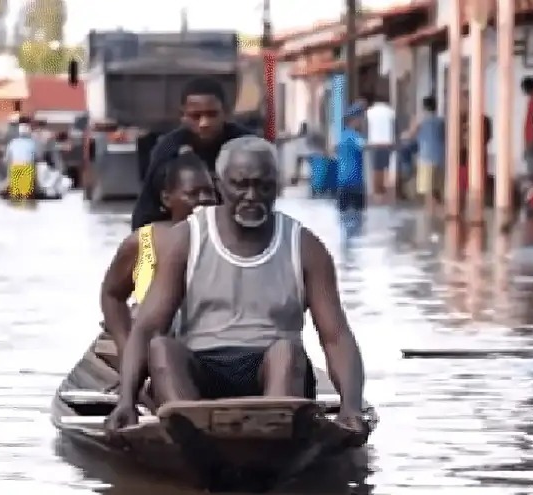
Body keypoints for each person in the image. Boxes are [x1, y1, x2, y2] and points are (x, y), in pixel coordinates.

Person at [104, 136, 367, 439]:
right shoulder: (186, 239)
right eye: (240, 185)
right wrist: (126, 399)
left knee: (287, 352)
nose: (252, 196)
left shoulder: (305, 247)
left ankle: (272, 437)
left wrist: (351, 406)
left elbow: (335, 336)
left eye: (264, 186)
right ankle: (191, 436)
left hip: (273, 373)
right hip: (203, 368)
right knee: (161, 348)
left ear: (277, 185)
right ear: (220, 184)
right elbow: (148, 328)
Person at [100, 150, 216, 362]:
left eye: (209, 192)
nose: (204, 200)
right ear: (166, 198)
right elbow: (112, 295)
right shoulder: (142, 242)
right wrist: (126, 346)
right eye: (193, 193)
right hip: (156, 351)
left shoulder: (226, 241)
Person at [130, 77, 254, 230]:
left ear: (226, 113)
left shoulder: (248, 146)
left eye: (212, 114)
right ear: (183, 116)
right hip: (182, 232)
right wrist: (150, 249)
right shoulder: (167, 150)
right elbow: (146, 211)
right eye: (196, 116)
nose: (204, 123)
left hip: (238, 229)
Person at [402, 95, 445, 210]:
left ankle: (431, 213)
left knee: (427, 190)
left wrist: (402, 135)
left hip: (426, 157)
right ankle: (439, 210)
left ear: (424, 107)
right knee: (437, 189)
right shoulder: (441, 121)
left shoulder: (420, 121)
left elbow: (409, 135)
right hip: (440, 158)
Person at [336, 104, 366, 212]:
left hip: (342, 182)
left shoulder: (342, 135)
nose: (362, 122)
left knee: (343, 217)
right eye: (361, 119)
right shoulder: (354, 136)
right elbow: (365, 146)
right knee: (359, 217)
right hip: (354, 182)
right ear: (354, 120)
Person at [365, 94, 395, 198]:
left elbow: (366, 127)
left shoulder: (370, 112)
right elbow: (395, 127)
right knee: (384, 167)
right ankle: (382, 189)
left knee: (375, 168)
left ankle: (376, 190)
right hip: (387, 143)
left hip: (374, 143)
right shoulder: (391, 112)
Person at [3, 118, 38, 199]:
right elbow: (36, 157)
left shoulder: (12, 142)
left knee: (17, 195)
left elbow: (7, 158)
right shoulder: (32, 143)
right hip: (27, 168)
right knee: (25, 195)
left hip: (16, 168)